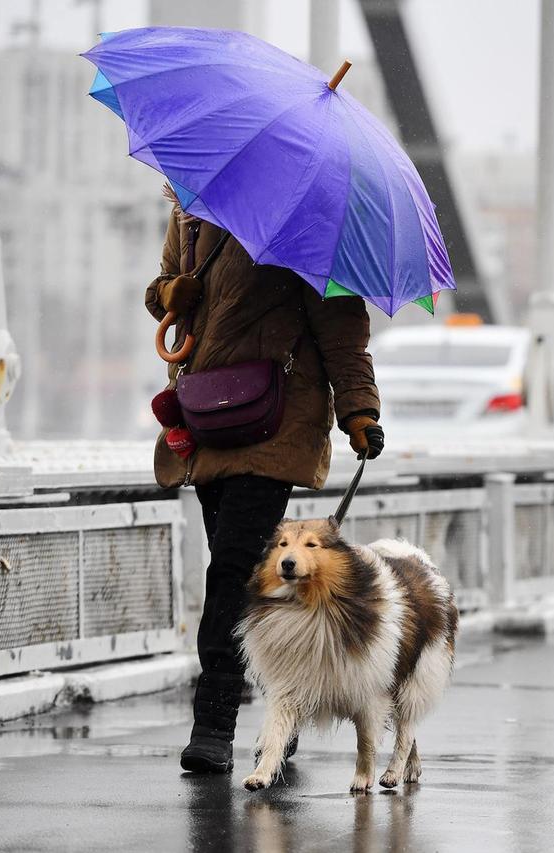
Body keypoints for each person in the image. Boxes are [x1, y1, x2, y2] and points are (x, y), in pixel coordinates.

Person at [145, 193, 385, 774]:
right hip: (207, 417)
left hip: (275, 420)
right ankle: (287, 710)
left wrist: (359, 411)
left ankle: (213, 723)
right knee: (252, 578)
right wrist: (170, 295)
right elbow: (163, 292)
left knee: (232, 570)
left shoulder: (309, 223)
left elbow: (341, 329)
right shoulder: (191, 213)